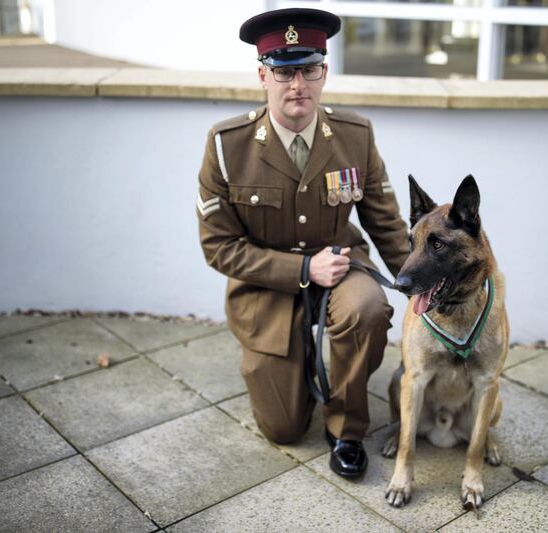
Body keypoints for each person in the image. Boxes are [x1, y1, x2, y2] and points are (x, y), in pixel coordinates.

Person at [197, 7, 409, 478]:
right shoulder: (225, 145)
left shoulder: (356, 135)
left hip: (340, 266)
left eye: (309, 70)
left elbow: (386, 223)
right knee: (284, 428)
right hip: (268, 290)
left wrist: (418, 287)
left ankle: (347, 428)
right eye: (284, 71)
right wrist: (300, 270)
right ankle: (293, 357)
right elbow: (219, 247)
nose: (298, 85)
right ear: (262, 75)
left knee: (368, 309)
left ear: (324, 72)